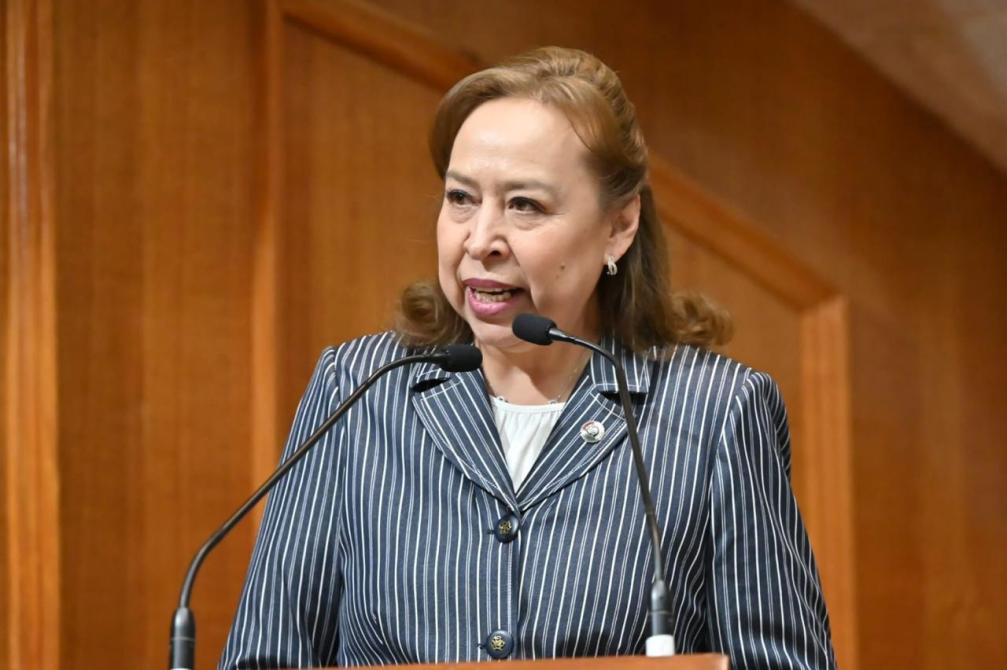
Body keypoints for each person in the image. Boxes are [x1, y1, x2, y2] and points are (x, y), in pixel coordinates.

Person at [219, 47, 837, 669]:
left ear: (619, 226)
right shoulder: (358, 389)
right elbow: (266, 657)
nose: (480, 239)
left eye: (525, 206)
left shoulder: (714, 411)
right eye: (461, 198)